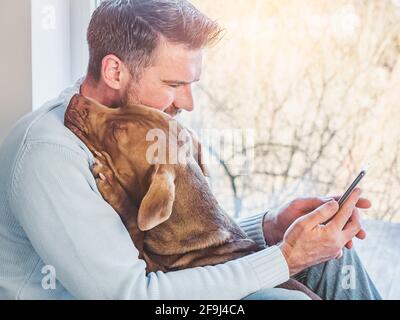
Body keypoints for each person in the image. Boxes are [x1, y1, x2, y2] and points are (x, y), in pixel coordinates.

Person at [0, 0, 381, 300]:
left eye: (191, 84)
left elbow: (173, 249)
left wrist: (270, 230)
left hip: (154, 282)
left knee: (330, 262)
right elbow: (129, 293)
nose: (187, 103)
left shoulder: (143, 127)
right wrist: (285, 257)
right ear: (115, 72)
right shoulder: (49, 155)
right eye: (173, 83)